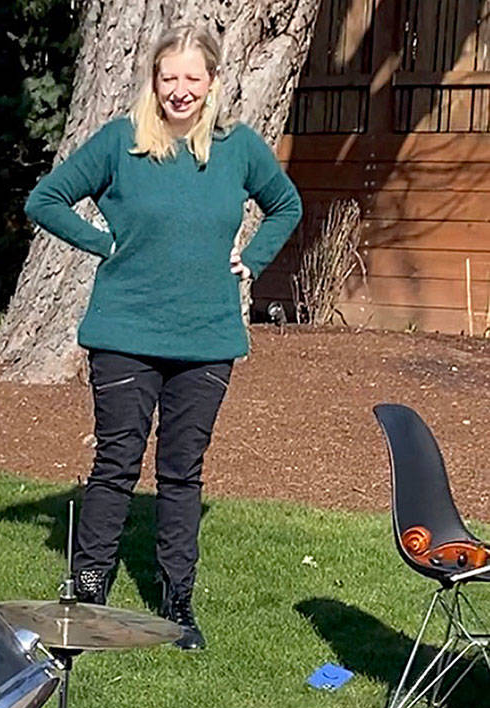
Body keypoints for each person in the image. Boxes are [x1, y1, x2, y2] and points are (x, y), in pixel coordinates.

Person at [24, 25, 302, 650]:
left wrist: (252, 261)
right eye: (168, 77)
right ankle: (88, 592)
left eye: (192, 78)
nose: (180, 90)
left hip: (206, 338)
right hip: (124, 331)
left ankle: (179, 603)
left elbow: (287, 205)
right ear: (153, 81)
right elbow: (47, 200)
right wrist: (103, 242)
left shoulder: (237, 148)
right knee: (116, 463)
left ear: (212, 83)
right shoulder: (122, 143)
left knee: (182, 472)